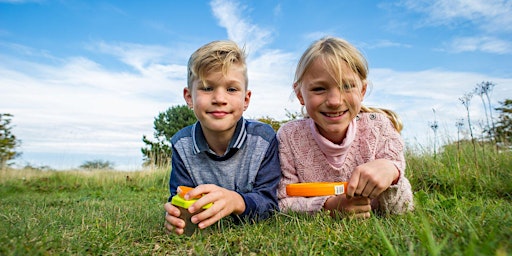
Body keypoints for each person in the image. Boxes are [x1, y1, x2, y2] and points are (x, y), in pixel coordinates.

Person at [277, 36, 414, 218]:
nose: (334, 101)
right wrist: (329, 206)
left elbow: (403, 208)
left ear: (362, 90)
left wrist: (391, 172)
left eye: (347, 86)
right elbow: (283, 202)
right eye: (319, 89)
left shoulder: (379, 128)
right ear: (300, 95)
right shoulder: (289, 136)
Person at [163, 40, 281, 235]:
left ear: (246, 99)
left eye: (231, 89)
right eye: (207, 88)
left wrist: (237, 201)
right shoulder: (181, 144)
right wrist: (176, 215)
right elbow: (179, 196)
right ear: (189, 97)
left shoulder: (264, 139)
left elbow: (271, 204)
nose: (219, 99)